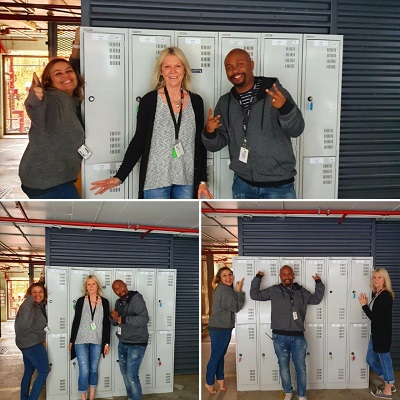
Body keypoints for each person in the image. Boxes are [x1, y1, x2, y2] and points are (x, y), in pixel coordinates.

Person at [90, 46, 212, 199]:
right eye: (167, 66)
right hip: (155, 181)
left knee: (182, 221)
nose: (172, 71)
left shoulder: (196, 101)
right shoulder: (149, 100)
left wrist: (202, 180)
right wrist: (120, 177)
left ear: (184, 70)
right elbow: (139, 141)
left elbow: (199, 144)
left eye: (177, 66)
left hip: (186, 180)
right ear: (161, 71)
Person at [202, 48, 304, 199]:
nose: (234, 70)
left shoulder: (275, 94)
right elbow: (217, 144)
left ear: (251, 65)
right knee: (243, 223)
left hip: (278, 185)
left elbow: (297, 129)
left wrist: (285, 108)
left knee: (281, 224)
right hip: (242, 184)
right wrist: (209, 132)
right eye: (229, 67)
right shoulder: (225, 103)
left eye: (240, 64)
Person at [250, 265, 325, 400]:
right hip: (280, 337)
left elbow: (316, 299)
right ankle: (288, 392)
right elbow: (255, 295)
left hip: (298, 337)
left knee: (301, 368)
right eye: (284, 274)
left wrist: (319, 284)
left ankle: (302, 395)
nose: (287, 277)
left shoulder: (302, 291)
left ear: (293, 275)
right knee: (283, 367)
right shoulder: (274, 290)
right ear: (280, 276)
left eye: (289, 274)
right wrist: (258, 278)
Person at [19, 57, 85, 199]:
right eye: (58, 74)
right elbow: (37, 106)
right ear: (49, 82)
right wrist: (35, 96)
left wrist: (77, 42)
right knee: (74, 219)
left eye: (69, 71)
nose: (66, 76)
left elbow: (74, 64)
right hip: (47, 180)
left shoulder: (72, 100)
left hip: (51, 177)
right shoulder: (54, 99)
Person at [69, 275, 111, 400]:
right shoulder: (81, 301)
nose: (91, 286)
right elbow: (76, 321)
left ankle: (91, 396)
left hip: (97, 340)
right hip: (80, 339)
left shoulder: (105, 302)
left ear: (97, 285)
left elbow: (106, 323)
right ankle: (83, 397)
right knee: (84, 371)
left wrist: (107, 343)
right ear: (85, 287)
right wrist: (72, 340)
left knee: (93, 369)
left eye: (93, 284)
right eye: (88, 284)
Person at [205, 267, 244, 394]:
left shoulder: (223, 288)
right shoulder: (225, 290)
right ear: (220, 278)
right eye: (224, 275)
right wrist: (239, 291)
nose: (229, 278)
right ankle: (209, 382)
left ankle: (220, 379)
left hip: (222, 327)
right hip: (220, 328)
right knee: (216, 356)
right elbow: (236, 307)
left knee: (220, 355)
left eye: (230, 274)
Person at [358, 268, 395, 400]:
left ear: (385, 280)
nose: (376, 280)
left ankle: (387, 391)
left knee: (385, 361)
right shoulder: (377, 294)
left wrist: (364, 305)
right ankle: (389, 382)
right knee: (371, 359)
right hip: (375, 334)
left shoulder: (385, 295)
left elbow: (374, 316)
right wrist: (367, 303)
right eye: (374, 277)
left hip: (382, 336)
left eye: (379, 277)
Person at [111, 279, 149, 400]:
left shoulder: (136, 299)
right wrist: (113, 317)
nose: (119, 290)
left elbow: (144, 319)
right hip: (123, 342)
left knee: (132, 376)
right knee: (125, 375)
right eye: (115, 289)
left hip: (136, 343)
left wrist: (123, 319)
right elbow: (115, 323)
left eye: (120, 286)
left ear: (125, 285)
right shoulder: (119, 302)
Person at [14, 282, 49, 400]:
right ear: (29, 293)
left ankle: (24, 398)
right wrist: (29, 300)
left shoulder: (39, 305)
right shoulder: (28, 305)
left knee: (28, 372)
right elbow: (23, 325)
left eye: (40, 292)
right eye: (34, 292)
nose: (38, 294)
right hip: (31, 344)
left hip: (27, 343)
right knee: (44, 371)